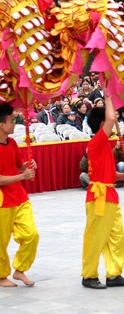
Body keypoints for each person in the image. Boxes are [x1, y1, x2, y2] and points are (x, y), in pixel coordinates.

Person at [82, 93, 124, 289]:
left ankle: (114, 273)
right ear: (102, 123)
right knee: (96, 237)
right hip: (99, 197)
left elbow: (109, 174)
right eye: (108, 121)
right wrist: (108, 92)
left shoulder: (104, 144)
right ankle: (89, 275)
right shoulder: (96, 141)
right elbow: (113, 117)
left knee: (116, 236)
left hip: (110, 194)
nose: (112, 123)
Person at [0, 103, 38, 287]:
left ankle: (20, 269)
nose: (14, 124)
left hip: (19, 197)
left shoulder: (12, 143)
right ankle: (1, 275)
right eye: (11, 121)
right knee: (1, 241)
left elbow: (19, 164)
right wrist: (23, 175)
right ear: (1, 124)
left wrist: (28, 165)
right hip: (2, 200)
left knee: (32, 234)